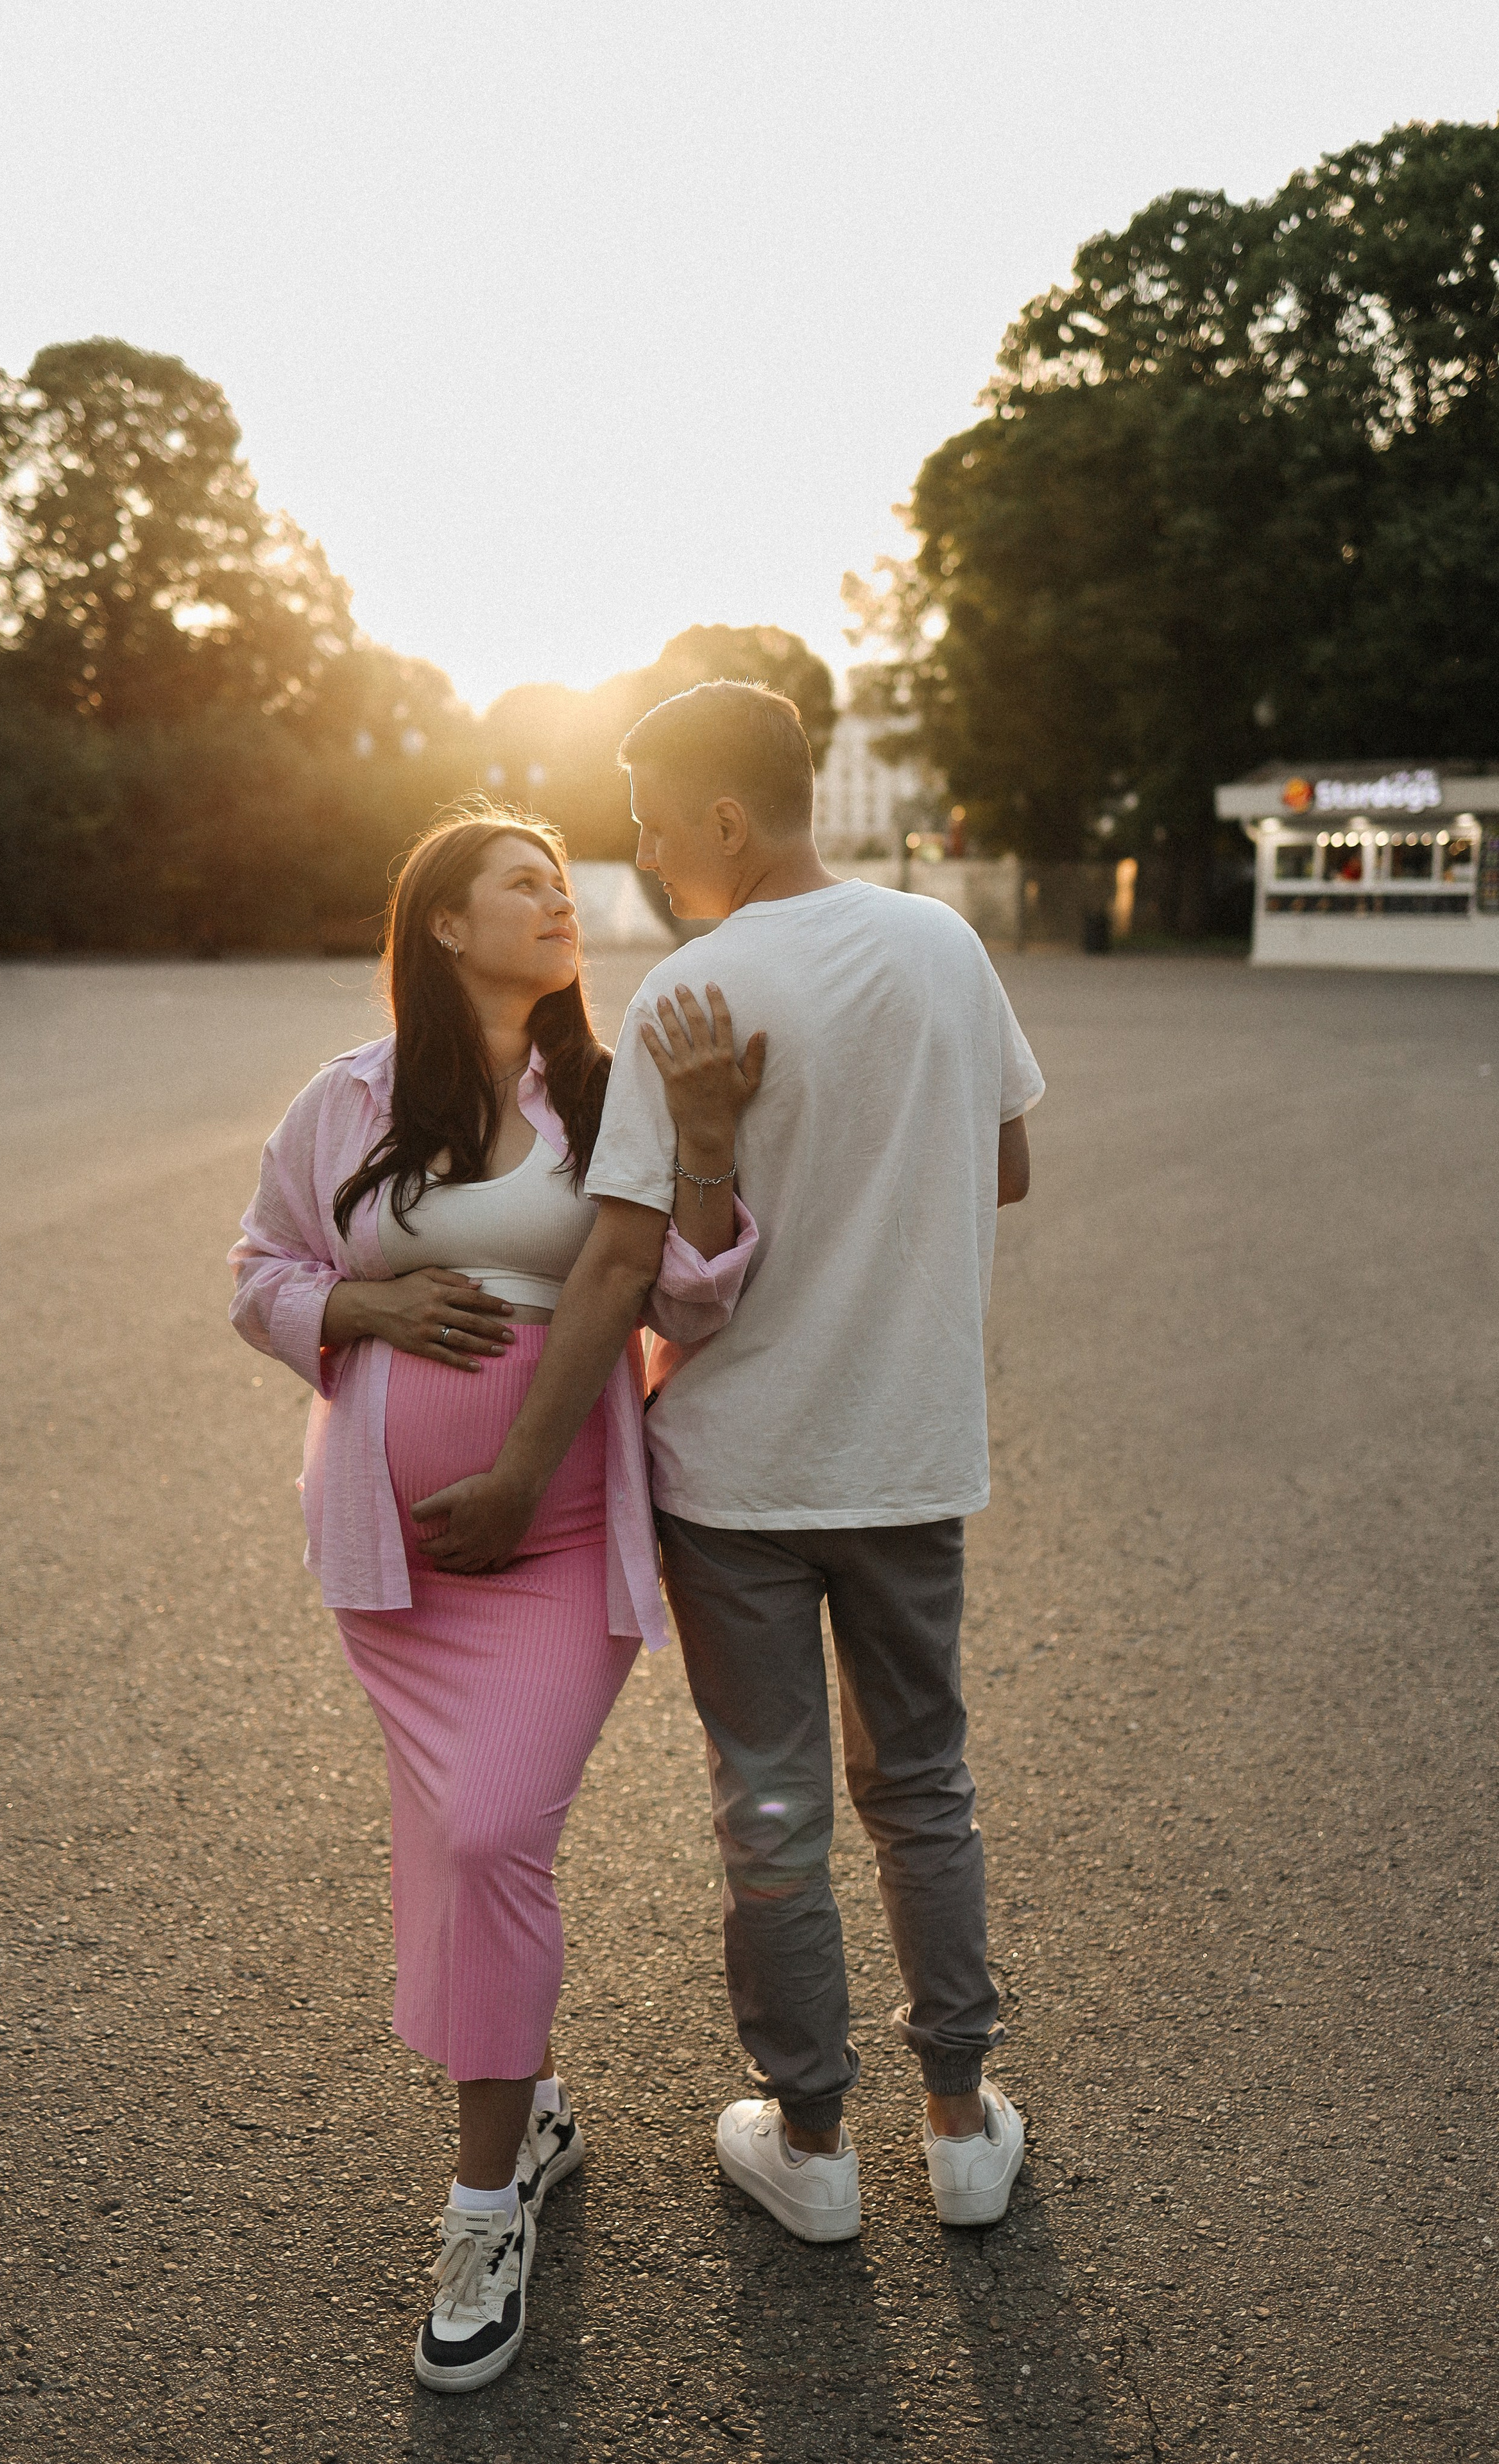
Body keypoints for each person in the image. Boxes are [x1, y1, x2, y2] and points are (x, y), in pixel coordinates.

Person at [415, 685, 1043, 2245]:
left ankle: (813, 2144)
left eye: (641, 819)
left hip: (740, 1480)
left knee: (769, 1805)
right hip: (907, 1457)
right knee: (923, 1789)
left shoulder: (695, 996)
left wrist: (512, 1479)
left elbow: (627, 1267)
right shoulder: (942, 950)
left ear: (719, 819)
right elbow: (1007, 1162)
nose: (628, 854)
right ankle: (962, 2127)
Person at [228, 805, 762, 2390]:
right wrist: (358, 1299)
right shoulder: (348, 1101)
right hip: (385, 1565)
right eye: (521, 882)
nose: (558, 899)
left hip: (555, 1537)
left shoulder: (612, 1098)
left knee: (482, 1830)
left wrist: (715, 1153)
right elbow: (256, 1271)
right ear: (442, 925)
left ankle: (481, 2206)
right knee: (456, 1836)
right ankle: (519, 2101)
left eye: (559, 882)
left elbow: (690, 1293)